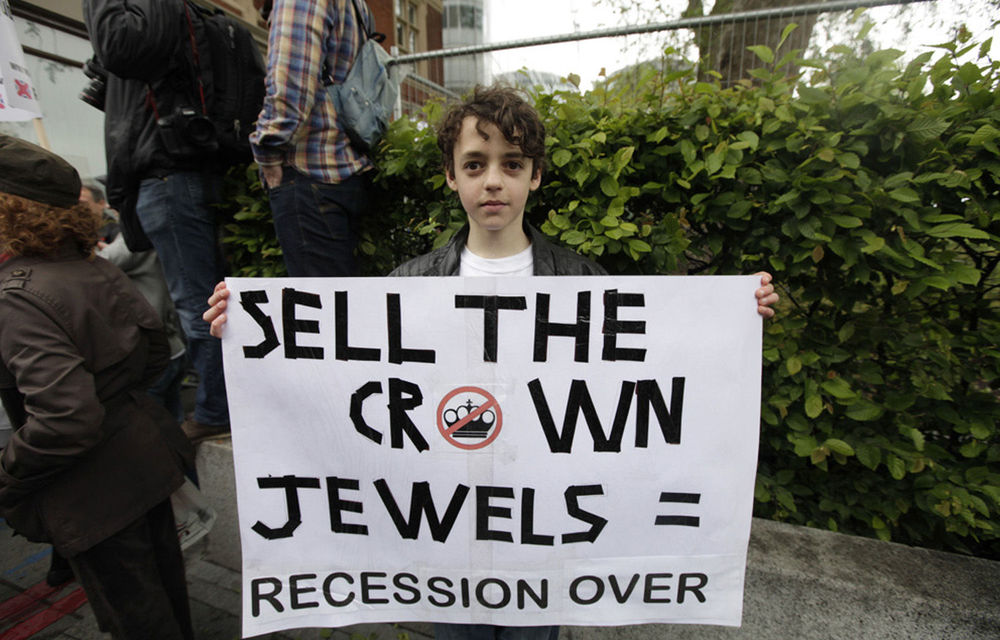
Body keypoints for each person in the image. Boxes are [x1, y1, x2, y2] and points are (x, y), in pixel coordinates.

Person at [204, 85, 779, 640]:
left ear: (535, 174)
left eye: (511, 163)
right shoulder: (409, 286)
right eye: (475, 165)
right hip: (445, 532)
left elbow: (650, 366)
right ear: (451, 176)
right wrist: (247, 326)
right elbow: (333, 377)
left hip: (544, 534)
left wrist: (734, 318)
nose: (494, 181)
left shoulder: (581, 282)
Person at [0, 134, 196, 640]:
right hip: (143, 460)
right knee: (167, 597)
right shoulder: (87, 265)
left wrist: (10, 472)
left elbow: (66, 417)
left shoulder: (18, 293)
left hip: (93, 490)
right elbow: (155, 353)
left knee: (137, 617)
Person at [83, 0, 231, 442]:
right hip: (179, 168)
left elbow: (122, 45)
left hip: (167, 172)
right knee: (200, 301)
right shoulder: (182, 19)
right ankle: (215, 404)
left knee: (197, 305)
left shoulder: (148, 17)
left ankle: (214, 408)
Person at [250, 0, 375, 277]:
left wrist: (267, 151)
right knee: (341, 307)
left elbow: (290, 89)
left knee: (321, 311)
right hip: (344, 165)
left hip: (310, 168)